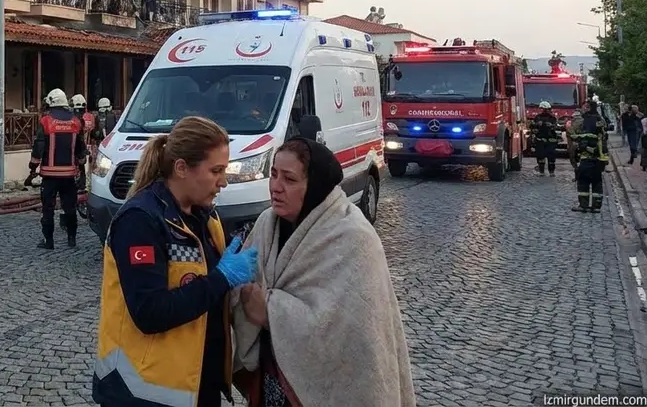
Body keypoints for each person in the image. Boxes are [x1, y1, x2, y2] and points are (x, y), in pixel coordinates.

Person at [231, 137, 416, 406]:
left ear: (314, 186)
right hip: (273, 379)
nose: (276, 187)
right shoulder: (266, 224)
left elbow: (351, 331)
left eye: (289, 179)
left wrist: (270, 310)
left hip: (334, 386)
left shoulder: (353, 236)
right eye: (273, 175)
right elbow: (244, 292)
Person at [93, 116, 259, 407]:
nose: (223, 181)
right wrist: (221, 279)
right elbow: (149, 313)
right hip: (143, 393)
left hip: (195, 385)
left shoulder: (205, 217)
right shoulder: (140, 221)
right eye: (216, 171)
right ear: (181, 168)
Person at [31, 89, 86, 249]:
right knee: (69, 207)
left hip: (49, 175)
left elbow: (38, 147)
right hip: (69, 174)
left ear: (51, 103)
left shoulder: (46, 121)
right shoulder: (76, 121)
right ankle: (71, 239)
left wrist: (33, 166)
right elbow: (80, 147)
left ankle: (49, 241)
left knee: (48, 208)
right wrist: (81, 164)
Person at [570, 100, 608, 213]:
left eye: (584, 107)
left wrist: (580, 144)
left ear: (588, 108)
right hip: (600, 157)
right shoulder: (600, 119)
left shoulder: (587, 120)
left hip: (588, 156)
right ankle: (596, 206)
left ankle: (584, 205)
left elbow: (583, 136)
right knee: (597, 181)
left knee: (583, 180)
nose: (582, 109)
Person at [529, 101, 561, 176]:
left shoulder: (553, 118)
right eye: (542, 109)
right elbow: (532, 127)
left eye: (545, 109)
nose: (544, 111)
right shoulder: (537, 117)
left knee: (551, 156)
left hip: (551, 140)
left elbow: (557, 127)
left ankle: (551, 172)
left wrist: (551, 126)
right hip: (540, 139)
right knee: (540, 156)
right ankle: (541, 172)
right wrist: (537, 125)